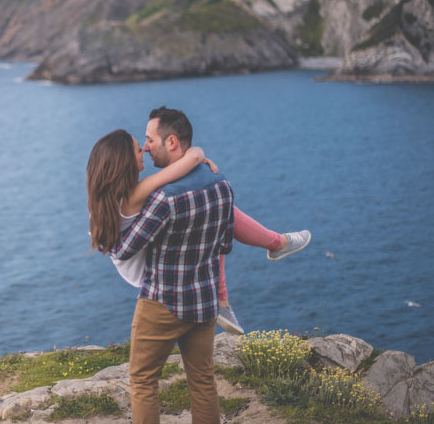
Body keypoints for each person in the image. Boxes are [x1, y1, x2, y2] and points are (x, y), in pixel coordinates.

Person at [87, 130, 310, 336]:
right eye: (138, 148)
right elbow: (191, 160)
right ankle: (271, 249)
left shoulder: (100, 201)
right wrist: (197, 154)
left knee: (206, 207)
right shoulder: (136, 193)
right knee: (214, 206)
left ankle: (274, 246)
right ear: (125, 161)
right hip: (149, 269)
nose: (144, 149)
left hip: (134, 265)